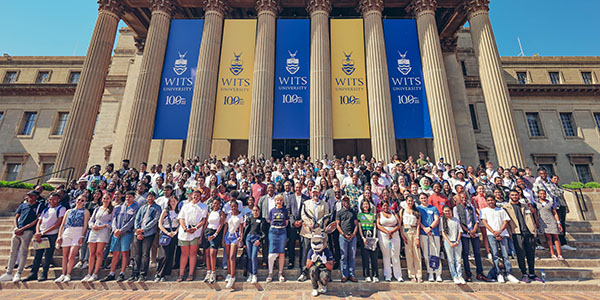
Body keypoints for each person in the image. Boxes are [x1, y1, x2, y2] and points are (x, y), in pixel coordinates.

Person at [23, 192, 65, 282]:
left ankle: (44, 273)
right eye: (50, 199)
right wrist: (38, 232)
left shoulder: (61, 209)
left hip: (51, 234)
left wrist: (44, 232)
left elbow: (58, 223)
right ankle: (33, 273)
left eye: (54, 199)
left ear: (58, 200)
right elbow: (39, 221)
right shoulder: (46, 209)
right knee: (38, 254)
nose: (51, 201)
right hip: (41, 234)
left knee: (48, 255)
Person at [504, 189, 543, 283]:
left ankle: (532, 273)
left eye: (516, 195)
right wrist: (509, 232)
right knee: (520, 254)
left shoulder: (524, 206)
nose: (514, 196)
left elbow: (531, 218)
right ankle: (524, 273)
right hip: (517, 232)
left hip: (528, 232)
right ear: (509, 196)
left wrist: (534, 230)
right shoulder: (506, 207)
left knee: (531, 254)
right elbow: (506, 221)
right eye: (512, 195)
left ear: (519, 195)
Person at [100, 191, 140, 282]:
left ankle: (122, 273)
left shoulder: (136, 208)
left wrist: (122, 230)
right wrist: (115, 229)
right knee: (115, 253)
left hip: (126, 233)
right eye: (126, 197)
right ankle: (112, 273)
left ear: (134, 198)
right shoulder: (118, 208)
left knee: (125, 253)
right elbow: (113, 219)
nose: (127, 199)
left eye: (130, 197)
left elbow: (132, 221)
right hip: (116, 233)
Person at [481, 195, 520, 283]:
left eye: (492, 200)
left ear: (495, 201)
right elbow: (485, 223)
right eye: (488, 200)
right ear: (486, 201)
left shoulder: (501, 210)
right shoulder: (484, 211)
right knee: (494, 254)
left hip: (503, 234)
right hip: (491, 234)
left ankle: (508, 273)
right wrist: (494, 232)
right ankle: (498, 273)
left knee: (505, 254)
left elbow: (505, 222)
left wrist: (500, 231)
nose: (490, 202)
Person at [453, 192, 488, 282]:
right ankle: (468, 274)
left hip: (474, 232)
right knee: (465, 254)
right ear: (459, 199)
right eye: (462, 198)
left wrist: (474, 230)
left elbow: (476, 220)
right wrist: (468, 231)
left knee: (477, 253)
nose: (464, 199)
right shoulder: (456, 208)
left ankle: (480, 273)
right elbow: (458, 222)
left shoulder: (471, 207)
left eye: (465, 197)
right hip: (465, 234)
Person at [55, 194, 90, 283]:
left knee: (72, 255)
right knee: (65, 255)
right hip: (68, 231)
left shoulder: (85, 211)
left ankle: (68, 274)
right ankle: (63, 274)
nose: (80, 202)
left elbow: (85, 225)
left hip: (78, 232)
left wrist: (82, 236)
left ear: (85, 202)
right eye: (79, 200)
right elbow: (62, 225)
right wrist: (59, 235)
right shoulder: (68, 211)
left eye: (82, 200)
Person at [298, 186, 329, 282]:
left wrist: (319, 223)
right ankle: (304, 273)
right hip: (308, 232)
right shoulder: (306, 203)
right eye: (313, 192)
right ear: (311, 193)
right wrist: (309, 224)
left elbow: (326, 216)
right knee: (306, 252)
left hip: (320, 232)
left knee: (321, 252)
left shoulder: (324, 204)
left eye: (317, 192)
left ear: (319, 193)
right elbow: (303, 215)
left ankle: (322, 274)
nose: (315, 194)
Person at [129, 191, 161, 282]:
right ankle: (134, 273)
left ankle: (143, 274)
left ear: (154, 198)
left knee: (145, 254)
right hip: (138, 233)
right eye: (149, 197)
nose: (150, 198)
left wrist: (144, 230)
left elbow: (155, 220)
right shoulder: (142, 208)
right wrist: (137, 230)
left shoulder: (157, 208)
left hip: (148, 233)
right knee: (136, 254)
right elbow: (137, 219)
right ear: (146, 198)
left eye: (152, 197)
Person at [81, 193, 113, 282]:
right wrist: (92, 226)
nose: (105, 200)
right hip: (94, 231)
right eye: (104, 198)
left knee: (99, 253)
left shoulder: (112, 210)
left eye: (107, 198)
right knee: (91, 253)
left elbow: (112, 222)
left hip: (103, 231)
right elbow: (91, 221)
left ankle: (95, 273)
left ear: (110, 199)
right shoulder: (97, 208)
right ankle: (89, 273)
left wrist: (103, 226)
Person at [417, 193, 442, 282]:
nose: (424, 199)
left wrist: (430, 228)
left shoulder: (433, 208)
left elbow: (437, 219)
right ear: (419, 199)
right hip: (423, 234)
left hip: (434, 233)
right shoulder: (418, 209)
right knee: (427, 255)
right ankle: (430, 273)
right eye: (422, 198)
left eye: (425, 198)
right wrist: (425, 229)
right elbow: (418, 221)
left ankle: (438, 273)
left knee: (436, 253)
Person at [377, 201, 404, 282]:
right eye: (384, 206)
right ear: (381, 207)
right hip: (383, 235)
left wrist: (392, 231)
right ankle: (388, 275)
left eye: (387, 205)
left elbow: (399, 224)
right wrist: (387, 232)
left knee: (395, 255)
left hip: (394, 234)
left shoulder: (393, 213)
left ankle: (398, 275)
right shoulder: (379, 214)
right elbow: (378, 225)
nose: (385, 207)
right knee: (386, 255)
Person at [155, 195, 180, 282]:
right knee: (163, 255)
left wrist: (175, 232)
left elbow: (180, 224)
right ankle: (159, 273)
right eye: (171, 201)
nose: (173, 202)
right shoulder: (166, 211)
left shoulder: (179, 212)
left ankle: (165, 274)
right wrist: (167, 232)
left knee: (170, 254)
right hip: (166, 232)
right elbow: (160, 224)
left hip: (174, 232)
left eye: (174, 201)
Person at [266, 194, 289, 282]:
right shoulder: (272, 211)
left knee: (281, 253)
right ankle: (270, 273)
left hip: (282, 231)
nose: (279, 202)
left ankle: (280, 273)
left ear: (283, 202)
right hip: (273, 231)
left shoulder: (285, 211)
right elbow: (270, 221)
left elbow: (286, 222)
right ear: (275, 201)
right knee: (271, 254)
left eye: (280, 200)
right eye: (277, 200)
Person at [336, 196, 358, 282]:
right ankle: (344, 275)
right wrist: (343, 234)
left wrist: (353, 234)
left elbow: (356, 224)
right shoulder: (339, 212)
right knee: (343, 256)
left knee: (352, 256)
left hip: (352, 236)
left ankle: (351, 274)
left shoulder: (353, 212)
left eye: (347, 200)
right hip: (343, 237)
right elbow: (337, 224)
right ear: (342, 202)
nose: (346, 202)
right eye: (344, 201)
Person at [536, 190, 564, 260]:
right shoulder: (536, 203)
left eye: (544, 194)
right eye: (541, 194)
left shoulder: (551, 203)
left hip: (551, 220)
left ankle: (559, 254)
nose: (542, 195)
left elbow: (555, 213)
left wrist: (558, 223)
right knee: (548, 238)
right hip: (543, 222)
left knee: (556, 237)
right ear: (538, 194)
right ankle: (552, 254)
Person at [440, 205, 465, 284]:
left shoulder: (456, 220)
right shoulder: (442, 220)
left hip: (457, 241)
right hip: (448, 242)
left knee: (458, 260)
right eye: (446, 211)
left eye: (448, 211)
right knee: (451, 260)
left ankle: (459, 275)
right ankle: (454, 276)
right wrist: (449, 242)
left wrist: (457, 241)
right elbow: (443, 233)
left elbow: (460, 231)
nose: (447, 212)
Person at [223, 200, 245, 288]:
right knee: (228, 255)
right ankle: (229, 273)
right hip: (228, 235)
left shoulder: (240, 216)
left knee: (232, 256)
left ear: (237, 207)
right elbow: (226, 226)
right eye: (232, 207)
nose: (233, 208)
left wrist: (241, 238)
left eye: (235, 206)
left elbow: (241, 229)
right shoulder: (228, 215)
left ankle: (232, 276)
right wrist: (223, 238)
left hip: (235, 236)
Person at [285, 182, 306, 270]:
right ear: (294, 188)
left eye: (299, 187)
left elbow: (306, 211)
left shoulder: (306, 198)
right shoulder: (290, 198)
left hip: (302, 224)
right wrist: (293, 221)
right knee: (291, 243)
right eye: (296, 187)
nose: (298, 189)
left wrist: (301, 221)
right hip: (292, 224)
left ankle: (302, 263)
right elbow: (288, 211)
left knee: (302, 244)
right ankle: (291, 261)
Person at [307, 231, 334, 297]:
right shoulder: (311, 251)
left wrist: (325, 262)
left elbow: (330, 268)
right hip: (316, 268)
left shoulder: (327, 251)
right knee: (312, 270)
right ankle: (315, 288)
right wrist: (312, 260)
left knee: (325, 275)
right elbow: (307, 266)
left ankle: (323, 285)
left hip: (324, 268)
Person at [203, 198, 225, 283]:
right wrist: (202, 235)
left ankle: (213, 272)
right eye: (214, 203)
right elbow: (206, 224)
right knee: (207, 253)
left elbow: (221, 224)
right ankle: (208, 272)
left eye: (217, 204)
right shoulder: (210, 213)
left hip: (215, 233)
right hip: (207, 232)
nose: (215, 205)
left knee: (213, 253)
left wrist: (215, 234)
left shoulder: (221, 213)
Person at [357, 200, 379, 282]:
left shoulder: (372, 215)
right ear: (362, 206)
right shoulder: (360, 215)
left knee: (374, 256)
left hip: (372, 235)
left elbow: (374, 226)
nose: (366, 206)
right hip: (364, 235)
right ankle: (367, 275)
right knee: (365, 257)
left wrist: (374, 237)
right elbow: (359, 226)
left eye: (367, 204)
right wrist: (362, 237)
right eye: (364, 204)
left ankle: (375, 275)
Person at [244, 205, 267, 283]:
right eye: (254, 210)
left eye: (257, 210)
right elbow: (246, 230)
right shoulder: (250, 219)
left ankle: (254, 274)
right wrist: (244, 241)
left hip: (256, 238)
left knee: (254, 257)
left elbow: (264, 232)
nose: (255, 212)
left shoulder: (262, 220)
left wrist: (259, 240)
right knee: (249, 257)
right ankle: (250, 273)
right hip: (249, 238)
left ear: (259, 211)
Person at [402, 195, 422, 282]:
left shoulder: (417, 211)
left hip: (414, 231)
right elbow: (400, 224)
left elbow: (418, 225)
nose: (410, 202)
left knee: (417, 253)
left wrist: (417, 237)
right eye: (408, 201)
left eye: (411, 201)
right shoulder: (402, 211)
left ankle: (419, 275)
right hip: (406, 231)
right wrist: (402, 235)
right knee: (409, 253)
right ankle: (411, 275)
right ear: (406, 201)